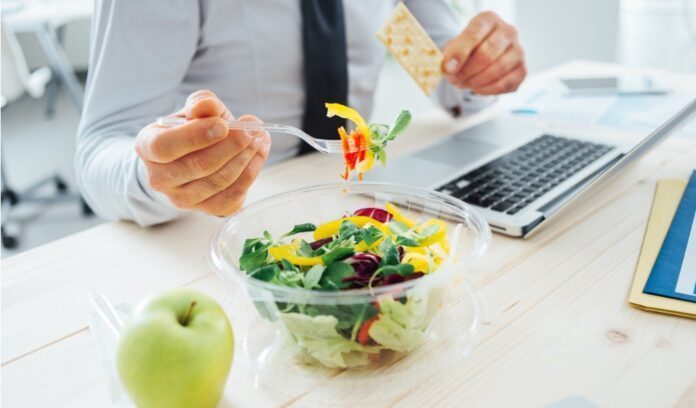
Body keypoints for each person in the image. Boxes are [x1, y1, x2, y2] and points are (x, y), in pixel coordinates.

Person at [76, 1, 526, 227]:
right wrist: (166, 175)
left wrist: (485, 66)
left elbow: (450, 79)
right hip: (218, 226)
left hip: (358, 205)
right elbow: (101, 147)